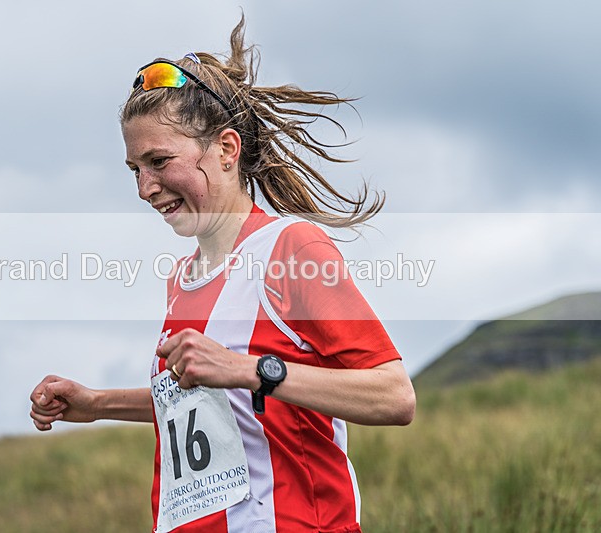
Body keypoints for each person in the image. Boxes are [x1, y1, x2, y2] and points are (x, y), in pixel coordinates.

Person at [30, 16, 415, 533]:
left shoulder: (290, 249)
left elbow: (394, 396)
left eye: (159, 161)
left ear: (227, 150)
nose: (146, 188)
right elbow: (209, 403)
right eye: (134, 170)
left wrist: (251, 370)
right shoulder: (183, 278)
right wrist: (97, 404)